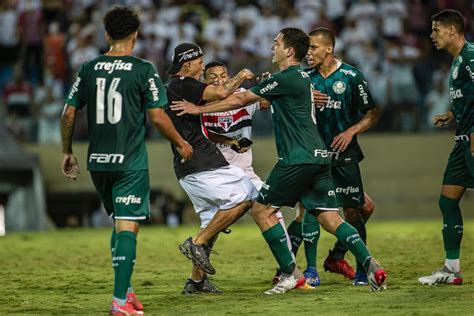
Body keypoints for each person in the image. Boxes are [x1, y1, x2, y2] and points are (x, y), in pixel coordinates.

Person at [171, 27, 387, 294]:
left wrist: (196, 108)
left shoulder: (287, 76)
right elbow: (270, 96)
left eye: (276, 43)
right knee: (329, 217)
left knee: (260, 210)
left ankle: (289, 274)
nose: (272, 46)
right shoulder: (301, 77)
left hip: (296, 158)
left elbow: (240, 99)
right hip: (320, 156)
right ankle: (372, 265)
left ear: (288, 51)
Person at [60, 7, 193, 315]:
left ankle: (128, 291)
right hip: (130, 161)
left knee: (122, 224)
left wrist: (67, 152)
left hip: (97, 161)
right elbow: (158, 117)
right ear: (136, 34)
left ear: (106, 34)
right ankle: (119, 301)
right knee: (127, 225)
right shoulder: (143, 69)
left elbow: (68, 112)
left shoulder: (89, 67)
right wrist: (180, 142)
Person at [283, 27, 379, 287]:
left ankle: (361, 271)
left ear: (329, 48)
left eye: (313, 47)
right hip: (313, 154)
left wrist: (350, 131)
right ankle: (310, 270)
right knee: (310, 210)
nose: (308, 53)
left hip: (344, 155)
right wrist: (304, 98)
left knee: (353, 210)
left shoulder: (351, 76)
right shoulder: (304, 78)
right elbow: (277, 98)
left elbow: (372, 113)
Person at [164, 43, 259, 294]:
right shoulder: (184, 83)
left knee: (211, 221)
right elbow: (221, 93)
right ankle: (196, 243)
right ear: (187, 64)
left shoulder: (172, 87)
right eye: (200, 61)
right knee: (247, 196)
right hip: (201, 163)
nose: (203, 65)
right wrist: (241, 76)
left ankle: (196, 281)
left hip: (190, 166)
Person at [418, 9, 473, 285]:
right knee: (447, 200)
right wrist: (452, 114)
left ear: (452, 30)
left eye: (436, 30)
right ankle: (452, 270)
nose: (432, 36)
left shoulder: (471, 56)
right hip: (461, 142)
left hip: (473, 140)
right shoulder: (457, 61)